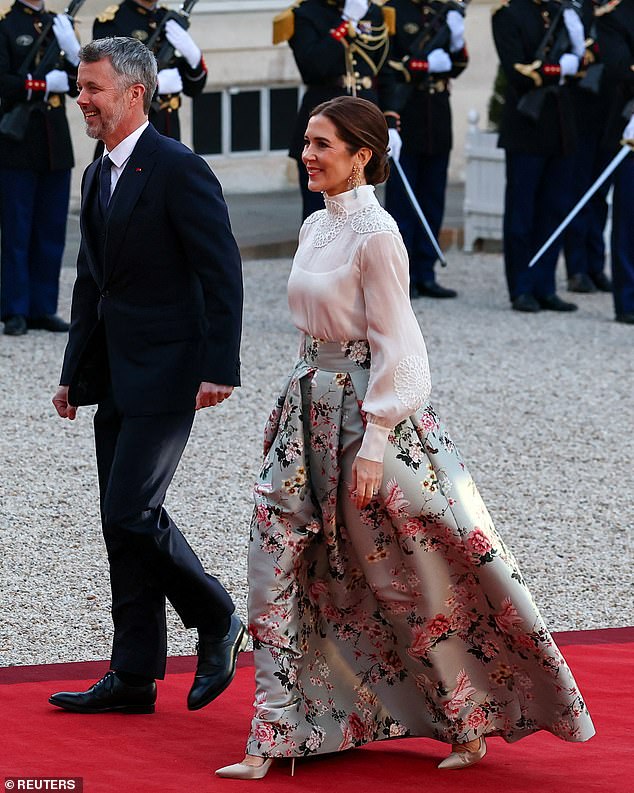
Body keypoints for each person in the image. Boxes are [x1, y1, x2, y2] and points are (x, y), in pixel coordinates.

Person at [215, 96, 595, 780]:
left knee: (413, 573)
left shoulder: (379, 235)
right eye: (305, 141)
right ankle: (271, 733)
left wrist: (376, 439)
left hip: (369, 418)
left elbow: (403, 347)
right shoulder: (312, 226)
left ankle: (467, 717)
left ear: (360, 155)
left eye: (321, 144)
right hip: (303, 412)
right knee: (273, 564)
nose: (306, 154)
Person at [49, 36, 245, 715]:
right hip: (115, 375)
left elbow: (222, 272)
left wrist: (221, 366)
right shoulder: (96, 172)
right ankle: (133, 674)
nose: (81, 100)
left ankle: (216, 615)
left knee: (130, 510)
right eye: (80, 88)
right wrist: (74, 374)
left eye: (92, 89)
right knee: (120, 524)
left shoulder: (177, 167)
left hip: (170, 371)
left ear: (134, 94)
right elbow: (90, 285)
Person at [492, 0, 586, 313]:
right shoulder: (509, 14)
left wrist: (577, 48)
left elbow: (586, 63)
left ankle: (545, 285)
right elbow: (518, 71)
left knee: (555, 209)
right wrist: (560, 68)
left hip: (561, 125)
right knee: (522, 212)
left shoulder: (563, 12)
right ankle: (521, 287)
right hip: (527, 127)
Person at [272, 0, 393, 220]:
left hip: (363, 121)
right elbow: (313, 68)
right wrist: (346, 22)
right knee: (319, 209)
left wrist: (390, 121)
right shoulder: (307, 13)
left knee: (362, 200)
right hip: (325, 116)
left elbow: (384, 70)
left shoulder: (373, 12)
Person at [0, 0, 78, 336]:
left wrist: (75, 55)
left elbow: (78, 83)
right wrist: (43, 85)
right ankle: (14, 310)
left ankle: (43, 307)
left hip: (54, 144)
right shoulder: (6, 25)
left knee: (50, 230)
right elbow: (3, 82)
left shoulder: (58, 25)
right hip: (18, 143)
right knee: (17, 231)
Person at [383, 0, 469, 299]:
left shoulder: (440, 12)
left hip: (437, 116)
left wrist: (457, 41)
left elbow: (457, 65)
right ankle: (401, 277)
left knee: (432, 201)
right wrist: (423, 65)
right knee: (402, 205)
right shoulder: (392, 11)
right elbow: (388, 64)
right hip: (408, 113)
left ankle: (426, 271)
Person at [93, 0, 207, 140]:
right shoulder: (113, 22)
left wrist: (193, 57)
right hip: (127, 136)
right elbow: (109, 84)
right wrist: (157, 86)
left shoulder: (166, 18)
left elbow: (193, 89)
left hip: (169, 132)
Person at [562, 0, 613, 295]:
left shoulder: (614, 12)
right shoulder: (574, 10)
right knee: (579, 195)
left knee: (601, 197)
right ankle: (577, 268)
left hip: (609, 114)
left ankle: (595, 264)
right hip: (580, 113)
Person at [596, 0, 634, 324]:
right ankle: (628, 300)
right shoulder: (616, 18)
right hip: (630, 126)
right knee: (630, 217)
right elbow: (621, 65)